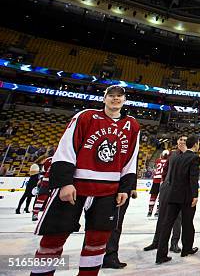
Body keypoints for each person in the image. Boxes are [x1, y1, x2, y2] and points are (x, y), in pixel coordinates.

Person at [30, 85, 140, 276]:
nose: (115, 99)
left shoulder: (133, 125)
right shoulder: (86, 116)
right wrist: (65, 182)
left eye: (119, 96)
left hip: (109, 191)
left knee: (97, 242)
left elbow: (131, 159)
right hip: (75, 186)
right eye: (111, 96)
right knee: (53, 239)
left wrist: (125, 187)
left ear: (124, 101)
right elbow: (67, 148)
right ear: (104, 99)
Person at [155, 135, 200, 264]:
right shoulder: (194, 157)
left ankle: (161, 255)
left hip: (172, 195)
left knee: (167, 224)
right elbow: (193, 178)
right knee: (187, 224)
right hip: (186, 197)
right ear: (196, 144)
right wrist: (195, 195)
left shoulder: (175, 157)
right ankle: (186, 249)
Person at [143, 136, 187, 254]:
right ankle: (156, 242)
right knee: (162, 217)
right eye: (180, 139)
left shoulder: (189, 156)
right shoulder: (171, 154)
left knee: (177, 219)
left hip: (179, 191)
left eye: (184, 140)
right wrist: (165, 183)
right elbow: (165, 170)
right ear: (177, 141)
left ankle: (174, 244)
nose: (182, 142)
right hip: (166, 189)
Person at [102, 189, 138, 269]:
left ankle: (105, 256)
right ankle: (110, 256)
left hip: (118, 190)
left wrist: (132, 187)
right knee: (115, 224)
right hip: (117, 191)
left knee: (113, 224)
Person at [148, 149, 169, 217]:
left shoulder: (158, 160)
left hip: (155, 179)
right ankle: (157, 211)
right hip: (163, 180)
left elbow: (159, 160)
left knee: (153, 195)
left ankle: (150, 211)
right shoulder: (168, 161)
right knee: (161, 196)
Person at [32, 156, 53, 221]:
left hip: (46, 180)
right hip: (54, 181)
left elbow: (43, 171)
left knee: (41, 198)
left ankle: (35, 213)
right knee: (52, 198)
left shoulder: (48, 159)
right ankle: (36, 213)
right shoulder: (63, 157)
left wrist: (41, 179)